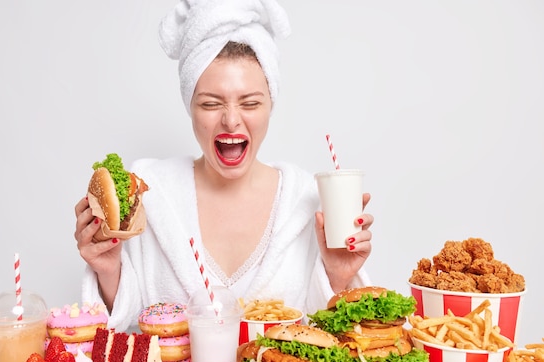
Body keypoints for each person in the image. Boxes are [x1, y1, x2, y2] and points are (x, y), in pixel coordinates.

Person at [74, 0, 374, 332]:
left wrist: (337, 276)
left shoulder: (305, 201)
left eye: (250, 103)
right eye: (211, 104)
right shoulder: (150, 194)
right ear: (190, 106)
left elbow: (323, 341)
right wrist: (108, 272)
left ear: (270, 105)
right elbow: (129, 335)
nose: (231, 120)